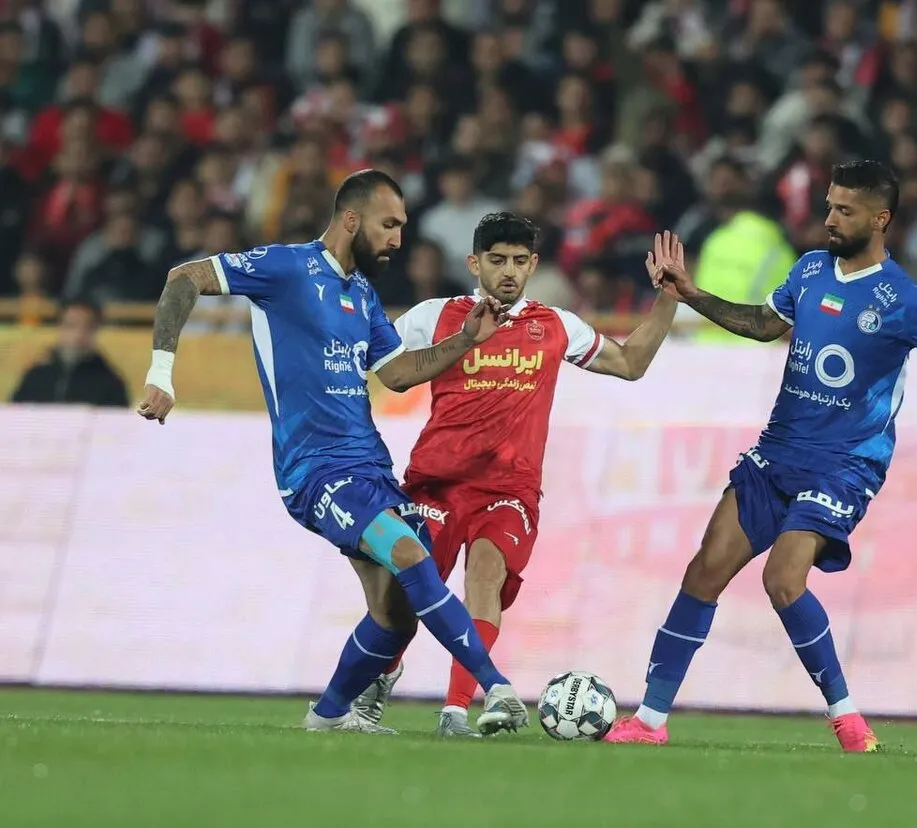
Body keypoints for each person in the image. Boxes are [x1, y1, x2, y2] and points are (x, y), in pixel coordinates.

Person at [601, 161, 917, 751]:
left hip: (845, 463)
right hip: (777, 453)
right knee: (704, 571)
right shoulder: (810, 270)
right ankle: (650, 721)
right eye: (830, 205)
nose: (830, 218)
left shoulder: (905, 299)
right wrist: (691, 294)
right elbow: (763, 324)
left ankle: (847, 718)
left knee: (782, 579)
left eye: (845, 210)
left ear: (880, 219)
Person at [135, 170, 529, 736]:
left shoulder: (362, 294)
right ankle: (497, 686)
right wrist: (161, 372)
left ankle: (328, 716)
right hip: (314, 468)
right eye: (389, 225)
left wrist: (465, 340)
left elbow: (397, 374)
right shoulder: (285, 267)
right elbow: (184, 277)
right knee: (411, 557)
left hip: (369, 465)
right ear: (351, 219)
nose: (397, 239)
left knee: (394, 615)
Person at [353, 212, 680, 737]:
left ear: (533, 265)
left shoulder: (556, 326)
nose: (508, 271)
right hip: (436, 483)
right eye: (498, 260)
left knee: (486, 573)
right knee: (404, 602)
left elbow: (630, 363)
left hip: (508, 489)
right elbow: (380, 366)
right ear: (474, 263)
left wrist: (669, 297)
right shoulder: (433, 316)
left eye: (520, 261)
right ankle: (379, 678)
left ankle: (456, 710)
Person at [10, 297, 129, 407]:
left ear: (96, 330)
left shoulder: (109, 382)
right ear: (59, 327)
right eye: (71, 326)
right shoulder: (36, 377)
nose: (79, 334)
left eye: (87, 327)